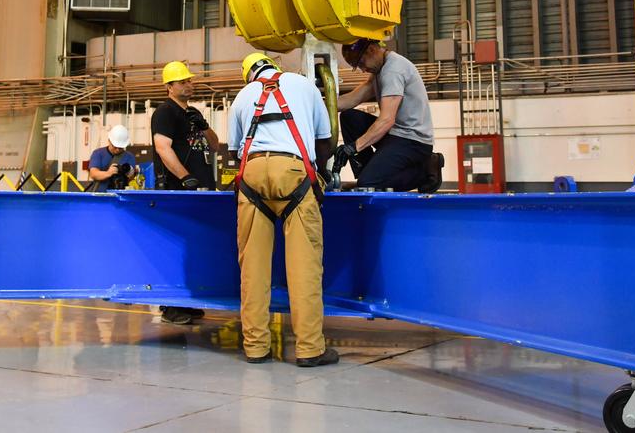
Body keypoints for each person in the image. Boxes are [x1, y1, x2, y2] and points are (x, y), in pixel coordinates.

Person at [228, 52, 337, 367]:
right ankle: (310, 349)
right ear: (274, 66)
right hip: (293, 174)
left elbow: (235, 152)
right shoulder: (304, 85)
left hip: (251, 177)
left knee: (253, 269)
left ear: (249, 76)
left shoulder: (242, 97)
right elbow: (325, 141)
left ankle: (256, 347)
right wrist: (319, 174)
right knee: (304, 268)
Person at [151, 60, 220, 324]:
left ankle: (185, 299)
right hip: (178, 189)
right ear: (169, 86)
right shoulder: (165, 112)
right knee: (175, 247)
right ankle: (170, 305)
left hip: (199, 189)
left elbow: (215, 146)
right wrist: (185, 177)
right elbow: (162, 147)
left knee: (194, 246)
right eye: (183, 82)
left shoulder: (192, 113)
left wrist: (203, 126)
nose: (189, 85)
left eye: (190, 80)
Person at [336, 39, 444, 192]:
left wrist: (353, 147)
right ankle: (368, 178)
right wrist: (321, 105)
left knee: (368, 183)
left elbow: (386, 120)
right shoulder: (380, 70)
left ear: (371, 50)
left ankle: (425, 169)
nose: (363, 69)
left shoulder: (393, 71)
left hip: (413, 141)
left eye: (361, 63)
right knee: (349, 118)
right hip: (395, 135)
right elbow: (352, 99)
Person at [87, 125, 136, 192]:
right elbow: (93, 174)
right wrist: (108, 173)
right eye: (115, 146)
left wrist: (130, 173)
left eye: (120, 148)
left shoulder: (129, 156)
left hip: (120, 195)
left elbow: (131, 178)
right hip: (100, 195)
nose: (117, 150)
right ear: (109, 141)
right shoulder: (98, 153)